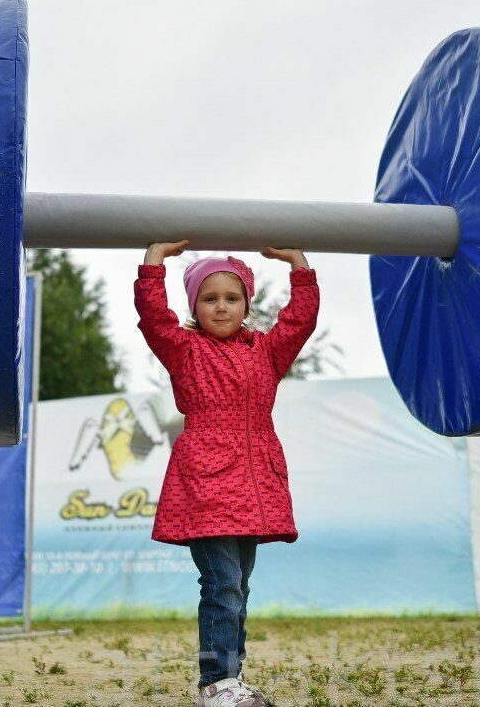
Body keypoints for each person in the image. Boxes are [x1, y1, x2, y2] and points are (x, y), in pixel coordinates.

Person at [135, 241, 318, 707]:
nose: (221, 306)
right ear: (194, 305)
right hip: (208, 485)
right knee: (221, 586)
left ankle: (230, 681)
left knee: (239, 587)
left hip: (254, 487)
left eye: (231, 298)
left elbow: (300, 321)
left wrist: (299, 265)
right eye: (209, 298)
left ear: (246, 304)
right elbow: (154, 318)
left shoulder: (267, 354)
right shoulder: (185, 350)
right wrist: (154, 261)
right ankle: (216, 682)